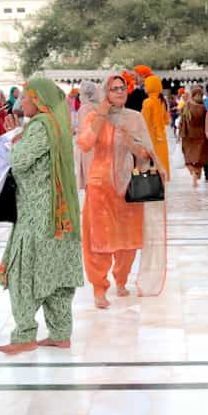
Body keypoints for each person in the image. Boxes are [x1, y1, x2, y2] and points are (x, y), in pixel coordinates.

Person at [0, 79, 83, 353]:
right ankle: (60, 333)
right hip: (57, 214)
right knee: (56, 275)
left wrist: (12, 140)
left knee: (23, 274)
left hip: (38, 214)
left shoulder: (40, 126)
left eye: (25, 98)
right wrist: (19, 134)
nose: (21, 103)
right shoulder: (55, 125)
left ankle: (24, 336)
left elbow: (19, 161)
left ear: (39, 99)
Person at [78, 74, 167, 309]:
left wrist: (133, 146)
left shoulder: (134, 118)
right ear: (105, 92)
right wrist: (101, 116)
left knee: (128, 239)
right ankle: (99, 288)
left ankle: (121, 280)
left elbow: (147, 154)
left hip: (129, 186)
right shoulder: (93, 116)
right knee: (100, 239)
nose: (119, 92)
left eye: (123, 88)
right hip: (100, 185)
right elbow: (85, 144)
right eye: (114, 88)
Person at [178, 85, 208, 187]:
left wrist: (180, 134)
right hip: (201, 136)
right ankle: (196, 176)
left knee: (188, 158)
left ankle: (193, 175)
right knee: (200, 159)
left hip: (188, 136)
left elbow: (182, 122)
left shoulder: (186, 107)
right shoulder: (204, 108)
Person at [141, 75, 170, 179]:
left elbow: (143, 121)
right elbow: (167, 121)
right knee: (161, 163)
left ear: (150, 87)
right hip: (161, 136)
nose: (144, 87)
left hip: (150, 137)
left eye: (145, 85)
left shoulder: (147, 102)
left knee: (149, 165)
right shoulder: (163, 101)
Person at [76, 80, 102, 190]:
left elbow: (83, 129)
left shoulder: (84, 108)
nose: (79, 96)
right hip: (99, 146)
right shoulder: (98, 106)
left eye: (81, 93)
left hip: (88, 148)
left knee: (89, 179)